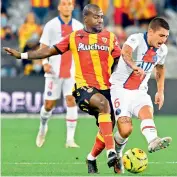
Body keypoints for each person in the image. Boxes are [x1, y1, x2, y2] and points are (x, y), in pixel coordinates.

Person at [4, 4, 121, 174]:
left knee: (108, 126)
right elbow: (48, 51)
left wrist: (117, 75)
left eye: (102, 16)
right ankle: (112, 152)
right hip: (83, 89)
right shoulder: (74, 37)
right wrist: (22, 55)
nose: (100, 20)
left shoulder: (110, 37)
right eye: (96, 16)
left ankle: (91, 158)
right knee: (102, 105)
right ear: (86, 18)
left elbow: (118, 59)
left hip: (106, 88)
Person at [110, 17, 172, 173]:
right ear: (150, 32)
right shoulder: (135, 39)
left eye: (166, 36)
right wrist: (133, 66)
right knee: (125, 130)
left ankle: (153, 140)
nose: (163, 40)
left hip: (140, 91)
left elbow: (160, 69)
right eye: (161, 36)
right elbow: (125, 52)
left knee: (147, 114)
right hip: (120, 89)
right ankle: (117, 154)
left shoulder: (163, 50)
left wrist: (160, 91)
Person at [36, 0, 83, 148]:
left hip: (72, 71)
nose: (67, 6)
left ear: (73, 7)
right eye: (64, 3)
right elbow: (43, 46)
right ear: (59, 7)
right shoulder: (51, 25)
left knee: (71, 100)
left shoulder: (79, 27)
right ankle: (43, 126)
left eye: (69, 3)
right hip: (54, 71)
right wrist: (45, 63)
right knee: (49, 105)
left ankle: (70, 139)